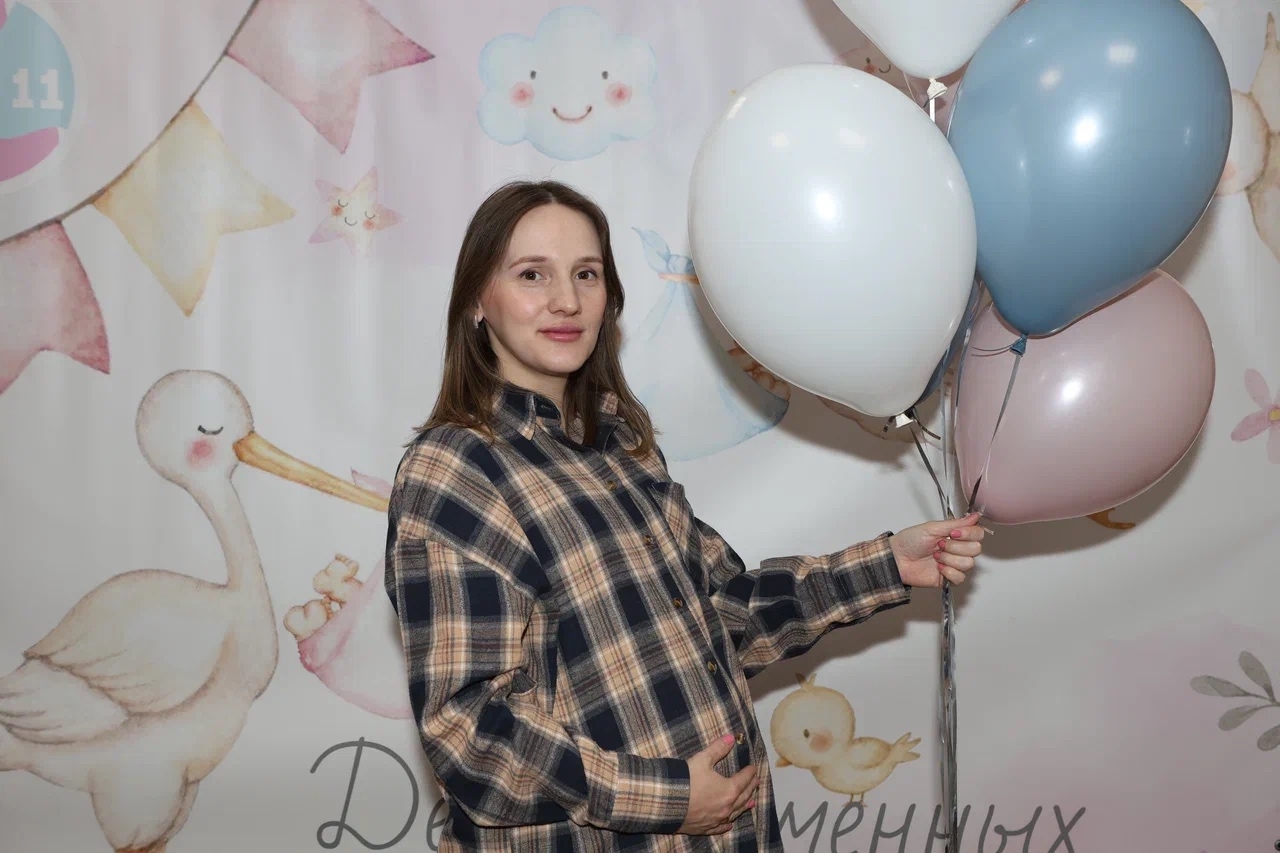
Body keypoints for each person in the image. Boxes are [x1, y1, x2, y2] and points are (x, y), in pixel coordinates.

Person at [384, 180, 985, 852]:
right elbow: (468, 732)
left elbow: (721, 615)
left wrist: (887, 565)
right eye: (532, 274)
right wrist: (669, 798)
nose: (566, 300)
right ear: (477, 300)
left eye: (586, 273)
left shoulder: (620, 445)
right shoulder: (457, 470)